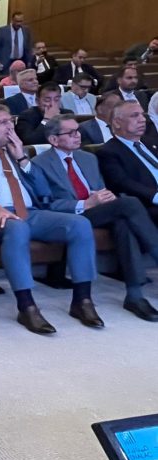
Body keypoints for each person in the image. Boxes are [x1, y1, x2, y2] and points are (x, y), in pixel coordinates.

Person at [0, 105, 99, 333]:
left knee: (79, 224)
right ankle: (26, 306)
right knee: (17, 227)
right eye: (2, 123)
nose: (9, 127)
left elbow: (43, 189)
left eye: (10, 122)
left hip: (29, 212)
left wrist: (21, 157)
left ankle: (82, 300)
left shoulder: (16, 152)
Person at [34, 114, 158, 321]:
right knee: (129, 204)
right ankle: (140, 285)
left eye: (78, 131)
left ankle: (135, 295)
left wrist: (105, 197)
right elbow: (45, 204)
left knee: (123, 222)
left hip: (98, 211)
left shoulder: (88, 158)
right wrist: (85, 204)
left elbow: (100, 188)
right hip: (68, 216)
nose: (78, 135)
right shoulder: (40, 164)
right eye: (71, 133)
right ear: (54, 139)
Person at [97, 101, 158, 224]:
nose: (142, 120)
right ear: (117, 122)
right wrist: (155, 196)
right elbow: (123, 183)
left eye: (142, 115)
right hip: (147, 203)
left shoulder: (152, 142)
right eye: (134, 115)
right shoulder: (108, 152)